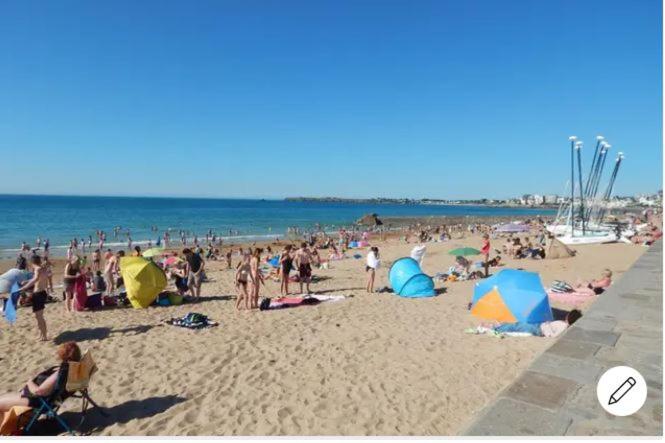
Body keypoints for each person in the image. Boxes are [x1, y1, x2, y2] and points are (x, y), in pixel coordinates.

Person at [0, 342, 81, 412]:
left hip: (37, 401)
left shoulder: (60, 373)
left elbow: (39, 391)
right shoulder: (75, 369)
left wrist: (29, 382)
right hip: (43, 398)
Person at [486, 309, 583, 337]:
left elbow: (553, 334)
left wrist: (548, 325)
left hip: (539, 329)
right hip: (540, 326)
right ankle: (501, 325)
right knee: (520, 323)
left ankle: (497, 328)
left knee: (519, 326)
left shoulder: (564, 325)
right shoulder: (563, 324)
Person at [18, 256, 49, 341]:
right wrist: (26, 281)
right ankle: (42, 335)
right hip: (43, 293)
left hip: (38, 294)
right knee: (39, 316)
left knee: (39, 317)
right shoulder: (43, 268)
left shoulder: (37, 269)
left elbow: (35, 280)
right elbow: (37, 279)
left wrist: (23, 288)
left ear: (32, 263)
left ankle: (44, 336)